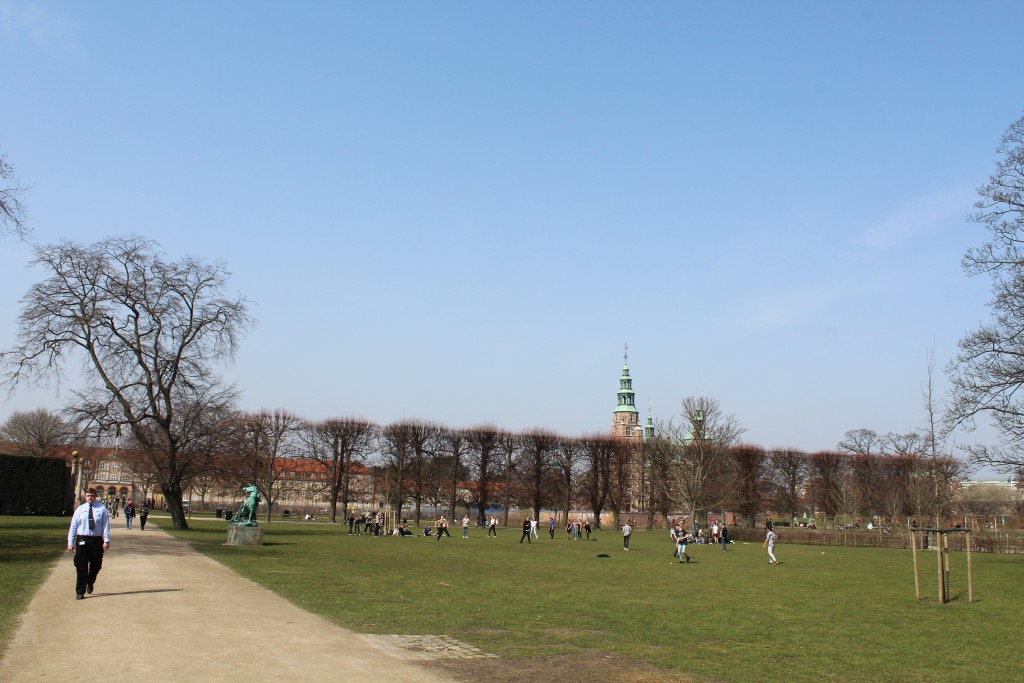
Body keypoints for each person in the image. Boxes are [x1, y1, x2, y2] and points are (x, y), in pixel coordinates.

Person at [67, 488, 111, 599]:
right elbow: (73, 526)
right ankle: (80, 591)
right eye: (87, 496)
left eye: (91, 495)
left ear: (95, 496)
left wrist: (106, 540)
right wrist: (70, 542)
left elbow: (105, 525)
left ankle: (90, 581)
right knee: (81, 566)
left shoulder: (101, 508)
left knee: (96, 565)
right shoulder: (80, 509)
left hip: (96, 540)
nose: (89, 497)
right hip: (82, 539)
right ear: (85, 497)